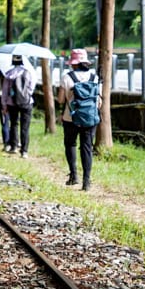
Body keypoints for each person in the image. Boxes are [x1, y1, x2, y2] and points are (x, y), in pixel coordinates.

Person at [56, 49, 100, 191]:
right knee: (87, 147)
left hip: (71, 117)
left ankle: (74, 176)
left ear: (74, 64)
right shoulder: (95, 78)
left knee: (70, 144)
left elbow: (61, 100)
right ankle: (86, 182)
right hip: (90, 118)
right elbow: (98, 102)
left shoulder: (67, 77)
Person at [1, 54, 35, 158]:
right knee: (25, 127)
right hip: (26, 103)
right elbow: (31, 88)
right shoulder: (28, 73)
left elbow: (5, 91)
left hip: (12, 103)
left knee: (14, 124)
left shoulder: (9, 74)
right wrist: (26, 95)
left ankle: (14, 147)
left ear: (13, 62)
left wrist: (4, 105)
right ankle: (24, 151)